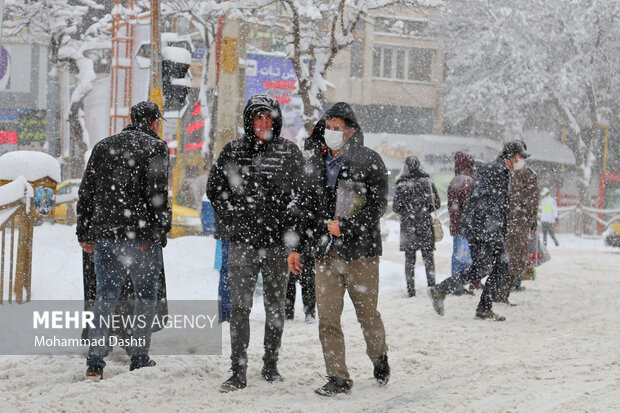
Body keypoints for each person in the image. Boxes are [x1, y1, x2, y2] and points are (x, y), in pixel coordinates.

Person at [287, 102, 390, 396]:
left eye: (338, 128)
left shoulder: (369, 160)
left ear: (351, 131)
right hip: (325, 254)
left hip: (361, 254)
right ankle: (338, 377)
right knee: (328, 318)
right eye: (328, 127)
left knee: (367, 315)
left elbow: (378, 205)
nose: (332, 133)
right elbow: (303, 211)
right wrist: (296, 248)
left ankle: (379, 356)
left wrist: (349, 226)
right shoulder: (314, 164)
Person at [207, 94, 304, 392]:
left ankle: (271, 364)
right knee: (240, 307)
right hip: (243, 243)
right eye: (258, 117)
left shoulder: (289, 152)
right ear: (250, 121)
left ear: (276, 120)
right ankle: (238, 370)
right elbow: (215, 189)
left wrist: (290, 222)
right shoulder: (233, 151)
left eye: (269, 118)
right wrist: (234, 216)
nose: (264, 123)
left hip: (277, 245)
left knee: (276, 307)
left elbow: (303, 195)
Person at [76, 101, 171, 381]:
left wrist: (84, 232)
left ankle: (95, 362)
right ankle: (139, 357)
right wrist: (159, 230)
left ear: (132, 119)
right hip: (140, 236)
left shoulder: (104, 146)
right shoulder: (156, 147)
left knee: (105, 296)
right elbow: (158, 195)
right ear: (154, 122)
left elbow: (87, 191)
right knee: (145, 297)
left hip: (106, 236)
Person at [428, 141, 530, 321]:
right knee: (480, 269)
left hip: (491, 227)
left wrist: (501, 228)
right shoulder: (494, 171)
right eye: (521, 158)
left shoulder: (503, 172)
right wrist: (486, 227)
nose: (522, 162)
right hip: (482, 227)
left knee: (502, 265)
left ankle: (484, 308)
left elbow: (500, 205)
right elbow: (479, 200)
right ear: (512, 156)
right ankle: (440, 290)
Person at [392, 155, 441, 297]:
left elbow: (396, 207)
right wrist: (423, 211)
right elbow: (436, 203)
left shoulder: (401, 185)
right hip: (425, 224)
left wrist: (408, 212)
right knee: (428, 258)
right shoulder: (428, 182)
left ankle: (411, 290)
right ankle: (432, 287)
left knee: (409, 259)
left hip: (408, 226)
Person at [498, 162, 539, 303]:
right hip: (518, 224)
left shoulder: (501, 171)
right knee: (515, 260)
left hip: (500, 223)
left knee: (501, 257)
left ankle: (496, 291)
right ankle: (503, 293)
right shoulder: (527, 174)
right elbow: (532, 202)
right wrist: (530, 219)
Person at [446, 151, 476, 296]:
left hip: (457, 224)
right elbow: (469, 205)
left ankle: (457, 284)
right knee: (463, 256)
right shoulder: (466, 181)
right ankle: (457, 286)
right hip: (465, 225)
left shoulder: (455, 180)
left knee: (458, 254)